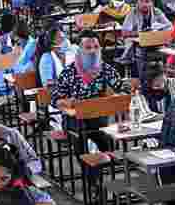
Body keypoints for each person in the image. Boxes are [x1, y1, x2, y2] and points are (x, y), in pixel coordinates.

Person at [51, 30, 126, 158]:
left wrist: (116, 97)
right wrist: (67, 102)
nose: (93, 51)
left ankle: (107, 162)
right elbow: (55, 99)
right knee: (81, 144)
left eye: (96, 47)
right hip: (75, 120)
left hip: (98, 118)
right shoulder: (68, 72)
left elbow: (122, 88)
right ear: (79, 50)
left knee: (109, 145)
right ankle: (87, 168)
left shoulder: (105, 69)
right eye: (88, 47)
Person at [0, 16, 28, 96]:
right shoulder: (0, 42)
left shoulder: (26, 41)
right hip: (5, 80)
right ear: (13, 31)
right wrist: (12, 58)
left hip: (23, 78)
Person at [34, 24, 73, 89]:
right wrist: (67, 83)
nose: (65, 40)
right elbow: (48, 84)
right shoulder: (47, 58)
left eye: (64, 37)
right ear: (52, 42)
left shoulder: (67, 56)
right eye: (61, 37)